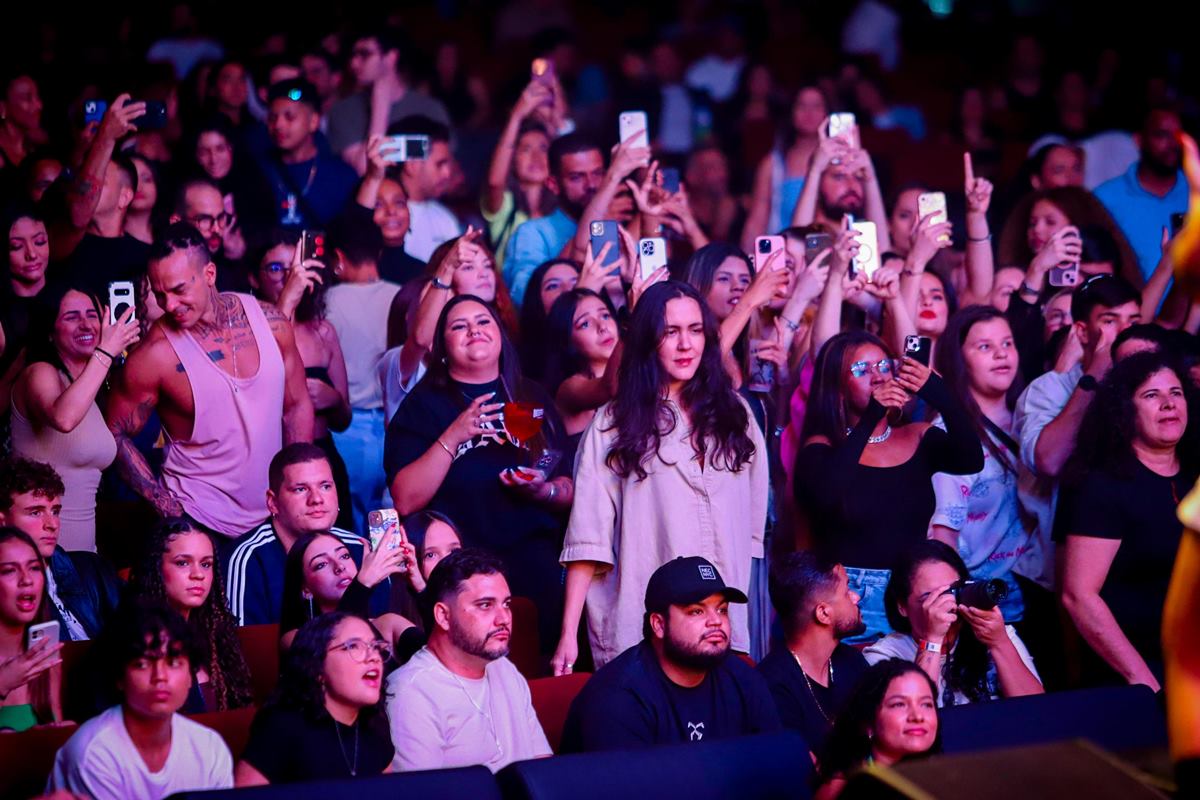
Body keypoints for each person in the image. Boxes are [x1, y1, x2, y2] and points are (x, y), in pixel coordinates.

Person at [555, 281, 767, 671]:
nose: (685, 344)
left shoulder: (737, 415)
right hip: (642, 630)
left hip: (723, 628)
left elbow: (751, 538)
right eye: (670, 332)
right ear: (648, 340)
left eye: (695, 330)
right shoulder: (612, 424)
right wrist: (568, 633)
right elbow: (587, 540)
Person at [385, 295, 572, 645]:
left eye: (484, 321)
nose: (474, 330)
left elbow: (568, 486)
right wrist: (454, 435)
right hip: (463, 573)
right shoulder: (422, 407)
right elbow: (405, 499)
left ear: (500, 334)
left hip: (536, 565)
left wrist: (542, 490)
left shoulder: (530, 394)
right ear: (442, 348)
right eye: (459, 325)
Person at [105, 224, 314, 536]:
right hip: (199, 520)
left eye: (179, 290)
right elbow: (113, 431)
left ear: (210, 275)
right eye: (160, 295)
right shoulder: (155, 355)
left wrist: (296, 488)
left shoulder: (271, 322)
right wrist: (165, 505)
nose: (169, 305)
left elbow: (296, 406)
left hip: (273, 518)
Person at [793, 331, 983, 641]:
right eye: (861, 370)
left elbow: (971, 459)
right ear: (838, 390)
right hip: (851, 597)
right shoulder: (822, 448)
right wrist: (871, 418)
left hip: (914, 593)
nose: (878, 377)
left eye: (883, 365)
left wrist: (938, 391)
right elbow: (825, 497)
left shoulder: (917, 436)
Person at [1061, 351, 1199, 689]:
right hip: (1138, 671)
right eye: (1152, 395)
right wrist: (1145, 682)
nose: (1168, 404)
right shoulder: (1104, 486)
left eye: (1176, 393)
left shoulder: (1194, 475)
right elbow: (1079, 596)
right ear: (1126, 410)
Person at [562, 556, 780, 751]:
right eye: (697, 611)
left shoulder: (743, 678)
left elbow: (776, 763)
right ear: (658, 625)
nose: (716, 621)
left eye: (722, 609)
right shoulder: (617, 698)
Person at [385, 549, 551, 771]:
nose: (504, 619)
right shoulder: (411, 693)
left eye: (506, 604)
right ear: (443, 616)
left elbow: (544, 767)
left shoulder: (504, 668)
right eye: (485, 605)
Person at [46, 603, 233, 799]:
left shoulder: (210, 748)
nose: (160, 676)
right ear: (119, 677)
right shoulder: (93, 752)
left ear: (190, 676)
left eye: (174, 663)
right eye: (142, 664)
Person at [931, 306, 1042, 621]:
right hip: (980, 597)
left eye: (1007, 343)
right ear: (959, 359)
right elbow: (944, 535)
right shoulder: (948, 432)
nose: (1001, 354)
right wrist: (953, 600)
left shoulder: (1033, 421)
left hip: (1034, 587)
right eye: (985, 347)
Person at [10, 283, 140, 551]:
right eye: (71, 317)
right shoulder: (39, 373)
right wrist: (105, 352)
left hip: (84, 555)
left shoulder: (93, 386)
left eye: (92, 315)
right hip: (37, 554)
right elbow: (64, 418)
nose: (85, 325)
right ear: (50, 331)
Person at [223, 443, 391, 626]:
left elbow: (385, 637)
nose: (316, 499)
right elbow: (243, 649)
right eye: (300, 489)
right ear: (273, 502)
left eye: (325, 486)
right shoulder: (248, 558)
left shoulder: (361, 549)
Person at [251, 234, 353, 529]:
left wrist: (332, 398)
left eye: (295, 267)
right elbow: (264, 365)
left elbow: (344, 418)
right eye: (276, 268)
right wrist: (289, 297)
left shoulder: (323, 331)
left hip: (323, 456)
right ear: (254, 277)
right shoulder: (246, 328)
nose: (289, 275)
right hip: (272, 459)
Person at [866, 541, 1043, 706]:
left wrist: (999, 643)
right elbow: (914, 717)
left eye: (954, 590)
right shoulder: (885, 657)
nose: (948, 602)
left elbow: (1037, 710)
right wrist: (932, 640)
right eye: (931, 597)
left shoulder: (995, 633)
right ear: (902, 607)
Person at [312, 213, 401, 530]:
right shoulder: (401, 297)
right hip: (396, 428)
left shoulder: (325, 303)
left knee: (351, 525)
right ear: (379, 253)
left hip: (348, 432)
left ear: (336, 257)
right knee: (392, 524)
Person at [235, 612, 394, 784]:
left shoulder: (376, 724)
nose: (373, 657)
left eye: (375, 646)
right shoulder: (282, 726)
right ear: (317, 666)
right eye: (354, 646)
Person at [503, 132, 648, 306]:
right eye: (577, 177)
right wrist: (596, 219)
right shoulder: (532, 232)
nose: (592, 185)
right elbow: (525, 298)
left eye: (598, 174)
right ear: (553, 185)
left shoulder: (618, 224)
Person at [127, 517, 252, 712]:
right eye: (183, 563)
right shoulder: (130, 639)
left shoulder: (218, 636)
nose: (198, 574)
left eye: (206, 564)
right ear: (155, 568)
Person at [757, 552, 869, 753]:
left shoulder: (851, 661)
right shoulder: (772, 687)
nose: (856, 597)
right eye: (846, 591)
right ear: (823, 613)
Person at [0, 458, 121, 642]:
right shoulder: (9, 587)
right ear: (2, 520)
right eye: (35, 512)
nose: (52, 524)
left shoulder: (92, 568)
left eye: (55, 511)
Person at [56, 96, 152, 298]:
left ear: (124, 197)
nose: (93, 184)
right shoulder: (67, 244)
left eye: (102, 180)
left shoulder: (146, 257)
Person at [327, 27, 452, 175]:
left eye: (365, 54)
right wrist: (380, 104)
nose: (354, 63)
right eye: (353, 55)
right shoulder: (343, 111)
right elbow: (364, 171)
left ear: (391, 57)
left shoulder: (431, 108)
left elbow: (445, 169)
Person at [278, 530, 420, 660]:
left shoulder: (388, 625)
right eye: (321, 564)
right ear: (306, 589)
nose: (339, 566)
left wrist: (419, 585)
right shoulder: (294, 638)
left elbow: (437, 655)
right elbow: (334, 652)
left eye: (344, 556)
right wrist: (363, 583)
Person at [813, 659, 940, 800]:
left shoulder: (939, 775)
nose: (918, 716)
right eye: (899, 704)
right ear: (868, 721)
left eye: (926, 704)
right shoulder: (841, 789)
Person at [1094, 108, 1189, 281]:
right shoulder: (1105, 198)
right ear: (1139, 140)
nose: (1173, 144)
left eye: (1178, 135)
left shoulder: (1196, 191)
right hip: (1131, 306)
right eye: (1162, 135)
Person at [261, 79, 357, 229]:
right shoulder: (258, 171)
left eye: (289, 117)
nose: (278, 125)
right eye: (273, 118)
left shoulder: (342, 175)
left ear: (314, 121)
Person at [482, 79, 558, 268]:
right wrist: (516, 116)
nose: (536, 156)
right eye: (525, 149)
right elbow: (494, 182)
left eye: (543, 148)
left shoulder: (562, 209)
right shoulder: (505, 206)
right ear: (511, 160)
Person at [743, 86, 827, 249]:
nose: (809, 113)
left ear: (827, 114)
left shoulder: (839, 162)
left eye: (816, 106)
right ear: (791, 113)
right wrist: (750, 263)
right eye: (802, 106)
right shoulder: (773, 164)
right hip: (784, 257)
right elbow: (757, 220)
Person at [0, 527, 63, 732]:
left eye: (35, 568)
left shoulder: (45, 652)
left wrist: (58, 735)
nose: (26, 580)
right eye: (9, 570)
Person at [543, 287, 620, 457]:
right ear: (568, 340)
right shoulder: (569, 389)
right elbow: (609, 387)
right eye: (585, 323)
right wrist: (634, 321)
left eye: (606, 315)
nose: (602, 327)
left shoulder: (643, 372)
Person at [392, 115, 462, 262]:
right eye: (440, 164)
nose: (448, 173)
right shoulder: (387, 216)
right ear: (412, 165)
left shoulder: (445, 219)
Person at [1, 208, 51, 379]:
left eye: (39, 241)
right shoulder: (5, 317)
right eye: (16, 246)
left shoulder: (69, 295)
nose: (31, 254)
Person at [0, 73, 46, 169]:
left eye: (37, 97)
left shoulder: (37, 148)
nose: (39, 105)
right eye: (27, 98)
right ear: (3, 107)